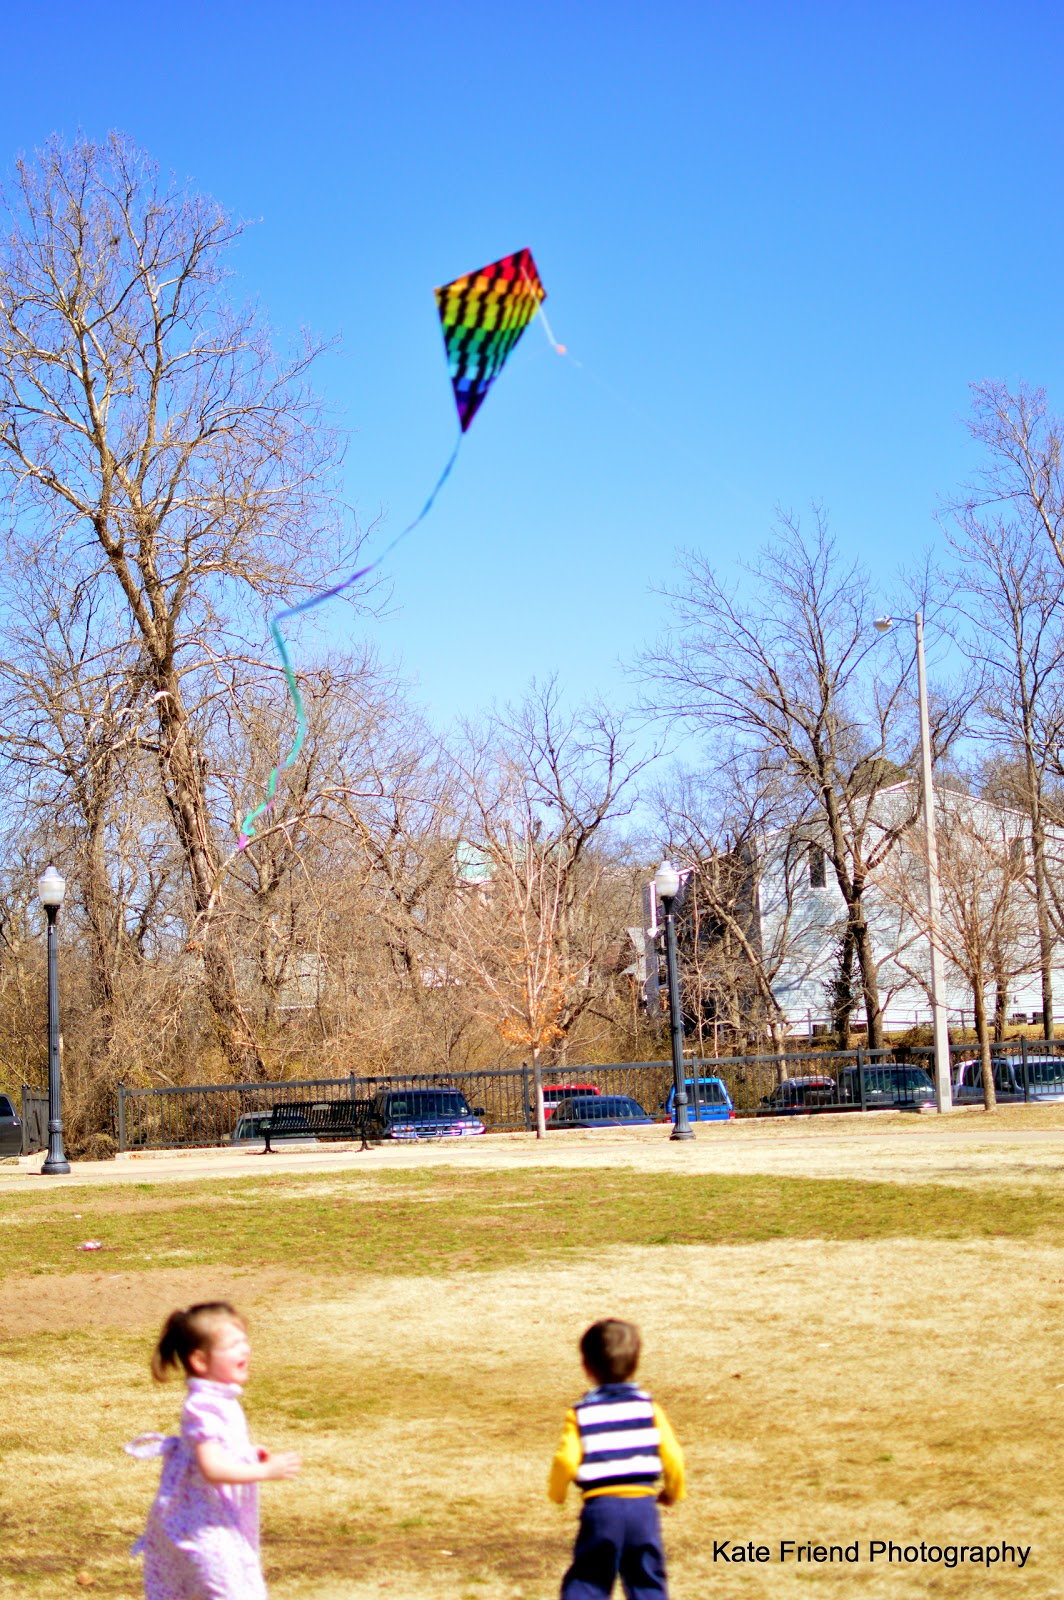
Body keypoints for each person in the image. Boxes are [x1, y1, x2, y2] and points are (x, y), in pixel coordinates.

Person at [125, 1301, 300, 1599]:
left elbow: (215, 1449)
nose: (245, 1349)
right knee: (225, 1588)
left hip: (216, 1516)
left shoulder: (221, 1399)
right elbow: (211, 1467)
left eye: (245, 1340)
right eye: (233, 1345)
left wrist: (246, 1453)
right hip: (202, 1525)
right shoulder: (203, 1407)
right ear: (201, 1361)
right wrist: (265, 1471)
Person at [548, 1319, 685, 1600]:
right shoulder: (648, 1408)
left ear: (586, 1367)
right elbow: (673, 1455)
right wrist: (672, 1491)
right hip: (643, 1508)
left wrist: (558, 1493)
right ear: (636, 1363)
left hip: (601, 1509)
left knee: (589, 1578)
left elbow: (566, 1460)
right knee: (646, 1579)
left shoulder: (581, 1413)